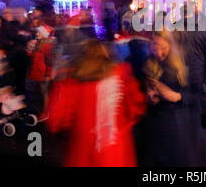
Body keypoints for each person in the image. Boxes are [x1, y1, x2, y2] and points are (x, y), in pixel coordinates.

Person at [46, 39, 146, 167]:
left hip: (82, 148)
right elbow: (136, 106)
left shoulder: (72, 81)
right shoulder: (121, 74)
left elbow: (56, 119)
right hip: (115, 148)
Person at [138, 31, 200, 167]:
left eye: (163, 48)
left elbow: (197, 95)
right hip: (155, 127)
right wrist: (149, 96)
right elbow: (141, 92)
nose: (158, 53)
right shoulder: (147, 63)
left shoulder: (184, 64)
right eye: (154, 48)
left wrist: (178, 96)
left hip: (177, 127)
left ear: (170, 45)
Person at [26, 24, 55, 118]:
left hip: (43, 74)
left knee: (44, 93)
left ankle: (46, 112)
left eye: (39, 32)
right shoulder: (38, 43)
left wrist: (47, 74)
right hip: (37, 72)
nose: (37, 33)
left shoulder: (47, 46)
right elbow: (34, 57)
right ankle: (41, 110)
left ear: (44, 34)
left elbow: (49, 61)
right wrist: (29, 50)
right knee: (40, 93)